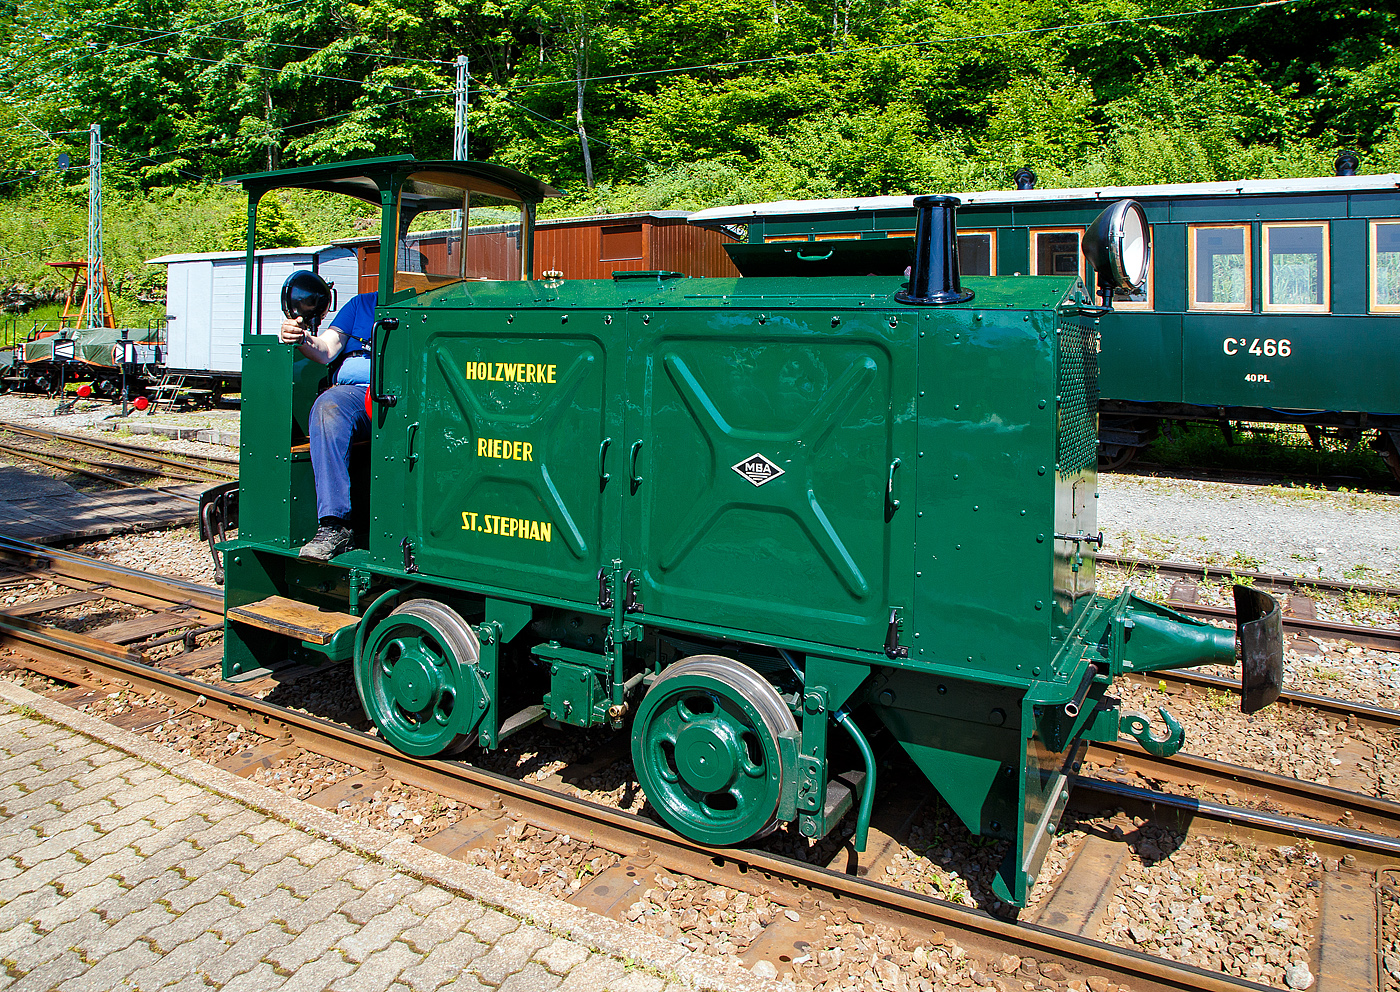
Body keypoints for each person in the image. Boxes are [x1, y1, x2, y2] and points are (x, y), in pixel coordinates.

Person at [278, 290, 378, 561]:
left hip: (405, 394)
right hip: (358, 394)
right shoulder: (361, 304)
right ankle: (335, 525)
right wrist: (299, 338)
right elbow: (326, 350)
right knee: (329, 407)